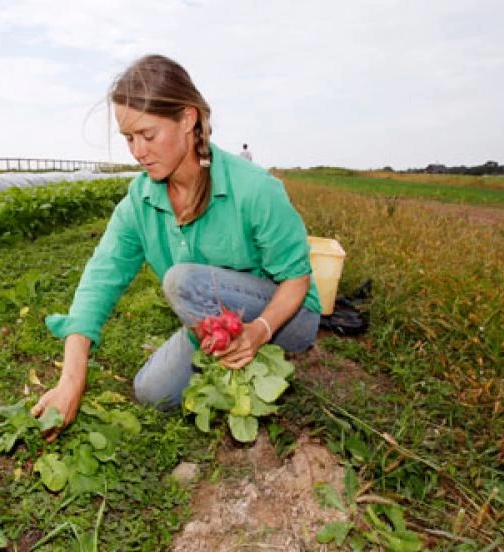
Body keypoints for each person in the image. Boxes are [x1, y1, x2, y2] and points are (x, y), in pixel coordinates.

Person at [32, 54, 321, 440]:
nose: (137, 151)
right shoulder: (141, 199)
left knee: (183, 283)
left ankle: (252, 352)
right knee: (151, 392)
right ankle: (227, 353)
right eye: (129, 138)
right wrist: (71, 380)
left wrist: (259, 331)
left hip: (288, 316)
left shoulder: (254, 188)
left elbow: (297, 278)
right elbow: (100, 280)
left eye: (147, 135)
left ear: (187, 119)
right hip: (214, 315)